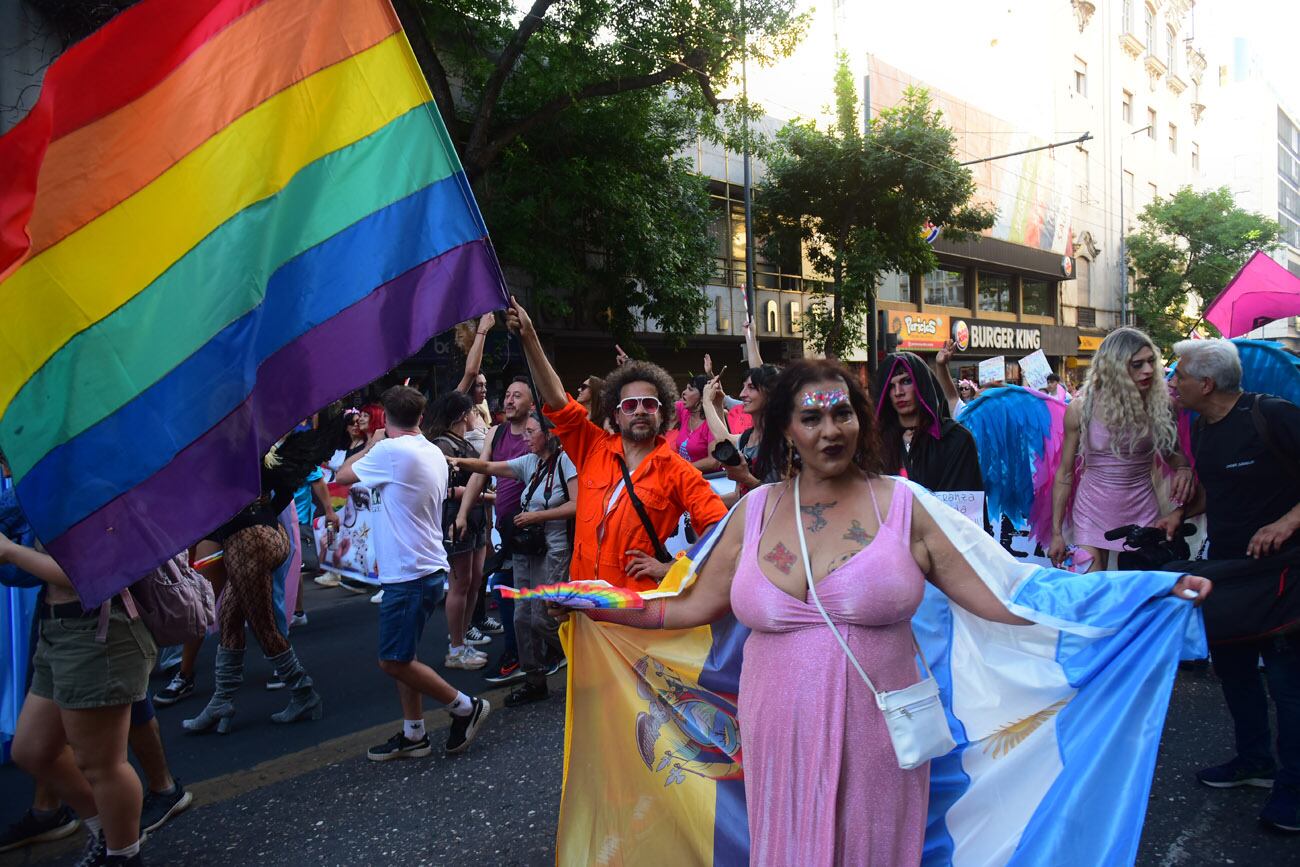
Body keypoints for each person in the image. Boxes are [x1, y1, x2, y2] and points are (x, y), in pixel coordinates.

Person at [570, 357, 1209, 863]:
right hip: (778, 730)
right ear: (786, 429)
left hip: (881, 730)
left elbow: (1011, 595)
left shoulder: (904, 504)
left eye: (841, 414)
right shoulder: (754, 511)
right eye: (812, 418)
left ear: (860, 421)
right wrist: (596, 608)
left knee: (871, 851)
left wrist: (1144, 593)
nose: (830, 431)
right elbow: (682, 609)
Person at [505, 298, 727, 590]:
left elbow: (722, 530)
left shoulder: (678, 472)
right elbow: (557, 398)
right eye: (630, 404)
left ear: (663, 414)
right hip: (585, 607)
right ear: (615, 413)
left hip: (636, 616)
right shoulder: (592, 446)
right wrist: (530, 337)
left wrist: (671, 566)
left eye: (649, 404)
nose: (639, 410)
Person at [1169, 338, 1300, 831]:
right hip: (1227, 572)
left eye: (1178, 374)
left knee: (1289, 687)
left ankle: (1294, 789)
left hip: (1285, 573)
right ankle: (1254, 760)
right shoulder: (1202, 429)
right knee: (1235, 669)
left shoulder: (1275, 416)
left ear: (1206, 383)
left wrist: (1286, 523)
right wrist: (1178, 512)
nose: (1172, 382)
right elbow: (1218, 491)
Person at [331, 386, 492, 759]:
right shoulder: (431, 451)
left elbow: (342, 475)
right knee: (407, 657)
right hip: (424, 567)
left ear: (386, 420)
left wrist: (372, 442)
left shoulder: (390, 450)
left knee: (393, 660)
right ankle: (414, 732)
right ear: (421, 417)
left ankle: (466, 707)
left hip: (409, 573)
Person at [1, 535, 157, 865]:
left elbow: (84, 575)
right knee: (32, 751)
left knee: (102, 765)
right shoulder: (55, 487)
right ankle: (107, 830)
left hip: (98, 634)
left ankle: (123, 853)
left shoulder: (95, 490)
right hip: (56, 628)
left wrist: (12, 552)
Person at [183, 433, 329, 734]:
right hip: (263, 536)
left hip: (248, 543)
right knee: (229, 620)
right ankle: (221, 702)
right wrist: (267, 514)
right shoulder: (250, 446)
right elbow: (285, 486)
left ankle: (304, 693)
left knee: (264, 628)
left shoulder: (217, 452)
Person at [451, 411, 578, 706]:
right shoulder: (529, 463)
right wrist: (458, 462)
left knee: (545, 618)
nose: (525, 437)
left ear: (548, 434)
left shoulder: (565, 461)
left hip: (554, 550)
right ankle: (535, 680)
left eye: (531, 431)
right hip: (525, 551)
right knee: (522, 617)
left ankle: (584, 662)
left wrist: (538, 516)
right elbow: (489, 466)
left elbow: (578, 504)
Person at [1048, 327, 1195, 572]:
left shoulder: (1163, 406)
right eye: (1137, 364)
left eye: (1151, 362)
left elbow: (1174, 456)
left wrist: (1184, 468)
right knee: (1092, 592)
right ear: (1114, 368)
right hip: (1089, 512)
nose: (1148, 370)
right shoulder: (1081, 408)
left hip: (1142, 510)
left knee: (1137, 593)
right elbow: (1064, 474)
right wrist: (1056, 533)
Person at [458, 376, 536, 680]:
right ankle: (519, 652)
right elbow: (480, 473)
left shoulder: (539, 432)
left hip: (534, 529)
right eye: (507, 394)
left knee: (525, 593)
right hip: (506, 530)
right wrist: (463, 512)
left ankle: (525, 654)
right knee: (506, 586)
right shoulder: (496, 432)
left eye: (517, 395)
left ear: (531, 403)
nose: (509, 400)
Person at [426, 391, 490, 671]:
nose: (477, 416)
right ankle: (455, 647)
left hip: (476, 518)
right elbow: (440, 488)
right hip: (456, 520)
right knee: (460, 583)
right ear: (464, 415)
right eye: (474, 411)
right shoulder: (442, 445)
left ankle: (463, 639)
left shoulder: (462, 443)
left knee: (475, 580)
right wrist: (472, 493)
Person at [873, 351, 983, 493]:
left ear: (921, 384)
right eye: (891, 386)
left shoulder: (956, 439)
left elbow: (966, 507)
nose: (898, 392)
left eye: (906, 381)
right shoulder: (875, 444)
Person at [702, 364, 784, 501]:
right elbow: (738, 496)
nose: (742, 394)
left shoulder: (784, 442)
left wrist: (706, 403)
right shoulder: (747, 438)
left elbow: (783, 501)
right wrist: (699, 503)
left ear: (772, 393)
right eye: (743, 387)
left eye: (751, 388)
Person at [671, 375, 721, 472]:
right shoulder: (684, 410)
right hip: (684, 476)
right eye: (686, 388)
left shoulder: (711, 422)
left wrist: (681, 468)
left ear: (703, 397)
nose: (683, 392)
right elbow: (662, 404)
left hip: (709, 480)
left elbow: (713, 462)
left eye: (690, 389)